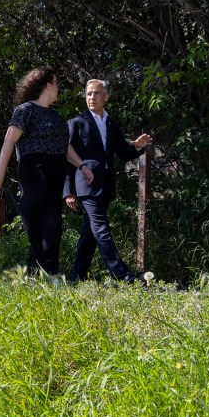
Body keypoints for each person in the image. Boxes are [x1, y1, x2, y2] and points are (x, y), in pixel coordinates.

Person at [0, 67, 94, 278]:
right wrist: (0, 171)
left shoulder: (56, 117)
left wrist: (82, 166)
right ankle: (50, 273)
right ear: (47, 85)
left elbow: (65, 147)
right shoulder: (26, 110)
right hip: (34, 169)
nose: (58, 88)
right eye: (56, 83)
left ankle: (34, 272)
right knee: (37, 220)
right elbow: (10, 140)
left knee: (53, 223)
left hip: (56, 171)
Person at [64, 79, 152, 282]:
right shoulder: (76, 123)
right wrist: (68, 191)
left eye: (96, 93)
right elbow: (66, 157)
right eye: (88, 94)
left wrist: (138, 146)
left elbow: (123, 152)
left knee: (89, 234)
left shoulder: (111, 124)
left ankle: (76, 278)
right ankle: (125, 277)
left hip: (105, 184)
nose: (91, 97)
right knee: (101, 229)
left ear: (106, 97)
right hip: (86, 185)